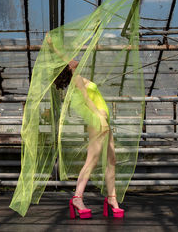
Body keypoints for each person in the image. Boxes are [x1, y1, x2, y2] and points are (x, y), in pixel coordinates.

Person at [48, 35, 124, 219]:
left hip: (103, 119)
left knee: (111, 159)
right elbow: (88, 100)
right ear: (68, 67)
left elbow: (69, 60)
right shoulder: (76, 79)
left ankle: (112, 198)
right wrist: (53, 46)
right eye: (71, 61)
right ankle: (77, 198)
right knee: (92, 160)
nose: (75, 59)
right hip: (97, 120)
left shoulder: (79, 75)